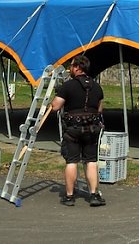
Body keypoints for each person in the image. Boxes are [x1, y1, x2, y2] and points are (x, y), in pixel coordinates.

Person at [50, 55, 106, 207]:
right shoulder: (97, 86)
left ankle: (69, 196)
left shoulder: (68, 86)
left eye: (71, 65)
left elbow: (55, 106)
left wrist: (56, 97)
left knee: (72, 161)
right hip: (92, 129)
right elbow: (99, 109)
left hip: (73, 130)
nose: (70, 68)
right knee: (91, 161)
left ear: (77, 68)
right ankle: (94, 195)